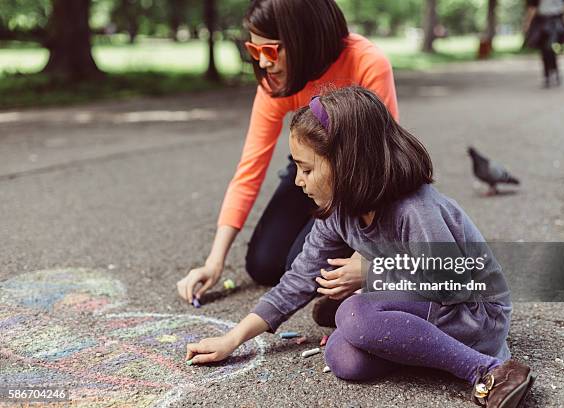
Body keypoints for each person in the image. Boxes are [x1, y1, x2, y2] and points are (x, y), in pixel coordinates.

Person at [184, 87, 534, 408]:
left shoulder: (415, 209)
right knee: (343, 358)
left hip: (472, 311)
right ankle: (420, 342)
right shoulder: (339, 210)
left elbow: (450, 283)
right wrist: (233, 339)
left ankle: (489, 370)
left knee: (352, 314)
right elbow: (298, 279)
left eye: (306, 168)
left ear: (348, 165)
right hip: (428, 305)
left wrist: (370, 273)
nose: (297, 180)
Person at [176, 0, 398, 311]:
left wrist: (368, 256)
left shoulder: (367, 62)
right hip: (308, 168)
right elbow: (249, 170)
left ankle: (368, 258)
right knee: (264, 266)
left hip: (358, 177)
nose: (263, 63)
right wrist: (214, 262)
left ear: (304, 38)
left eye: (270, 51)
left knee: (304, 265)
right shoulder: (276, 83)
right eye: (254, 52)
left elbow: (383, 163)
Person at [523, 0, 564, 88]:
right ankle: (547, 74)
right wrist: (527, 23)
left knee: (550, 47)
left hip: (556, 21)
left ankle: (553, 71)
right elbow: (533, 8)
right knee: (544, 50)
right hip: (541, 22)